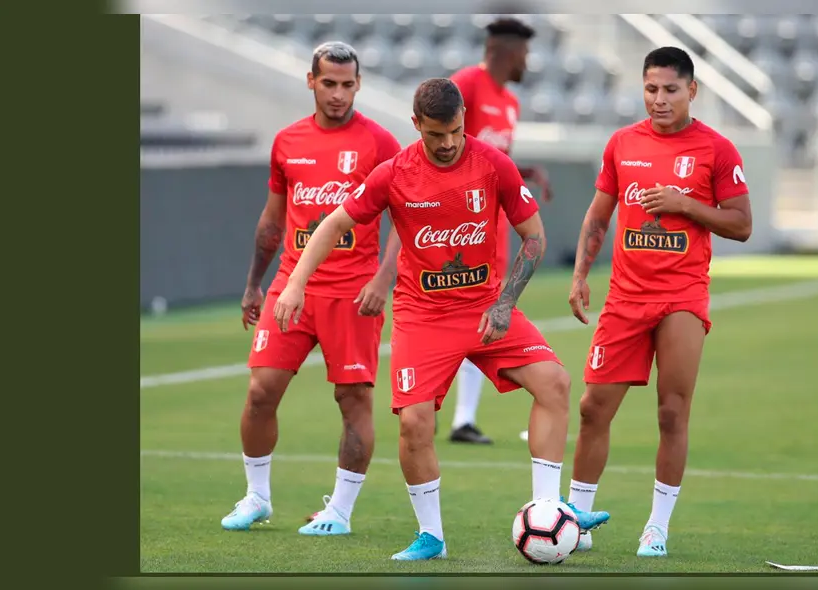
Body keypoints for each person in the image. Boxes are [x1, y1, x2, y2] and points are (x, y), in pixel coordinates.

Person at [272, 77, 609, 561]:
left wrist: (505, 302)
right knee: (414, 424)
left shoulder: (494, 164)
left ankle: (549, 506)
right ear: (416, 126)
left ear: (463, 121)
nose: (448, 143)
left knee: (554, 381)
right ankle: (431, 535)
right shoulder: (394, 173)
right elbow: (335, 223)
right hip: (422, 318)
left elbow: (533, 238)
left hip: (485, 309)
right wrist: (296, 283)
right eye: (436, 134)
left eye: (455, 130)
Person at [564, 47, 753, 556]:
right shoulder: (623, 143)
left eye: (670, 90)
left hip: (681, 297)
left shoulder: (717, 149)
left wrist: (684, 204)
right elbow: (599, 215)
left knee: (671, 413)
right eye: (651, 89)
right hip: (625, 298)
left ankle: (657, 526)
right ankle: (575, 521)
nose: (659, 99)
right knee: (591, 409)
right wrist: (581, 275)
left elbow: (741, 224)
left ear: (692, 90)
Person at [221, 42, 403, 536]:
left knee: (353, 400)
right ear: (311, 81)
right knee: (260, 392)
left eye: (347, 84)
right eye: (329, 83)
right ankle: (257, 496)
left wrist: (383, 280)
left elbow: (406, 219)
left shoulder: (381, 144)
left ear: (359, 84)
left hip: (352, 293)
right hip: (290, 288)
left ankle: (339, 512)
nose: (339, 94)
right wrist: (255, 284)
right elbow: (272, 219)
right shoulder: (286, 142)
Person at [444, 16, 553, 445]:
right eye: (524, 52)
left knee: (485, 310)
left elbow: (494, 157)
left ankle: (463, 419)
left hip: (495, 223)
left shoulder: (511, 102)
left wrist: (525, 171)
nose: (528, 61)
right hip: (460, 224)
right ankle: (441, 407)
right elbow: (445, 147)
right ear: (505, 51)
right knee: (455, 308)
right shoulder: (466, 85)